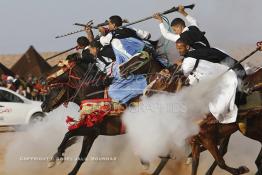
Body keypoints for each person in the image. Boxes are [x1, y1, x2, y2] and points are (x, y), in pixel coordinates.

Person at [176, 38, 238, 124]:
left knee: (217, 108)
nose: (178, 51)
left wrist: (179, 66)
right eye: (177, 49)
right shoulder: (196, 52)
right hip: (225, 72)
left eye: (180, 48)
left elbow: (183, 74)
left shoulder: (188, 61)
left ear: (187, 47)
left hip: (223, 80)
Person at [96, 15, 151, 104]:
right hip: (144, 55)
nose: (108, 26)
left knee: (112, 90)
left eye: (109, 24)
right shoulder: (132, 29)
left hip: (129, 64)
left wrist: (102, 32)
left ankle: (136, 95)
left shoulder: (111, 34)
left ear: (113, 25)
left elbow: (102, 41)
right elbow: (147, 35)